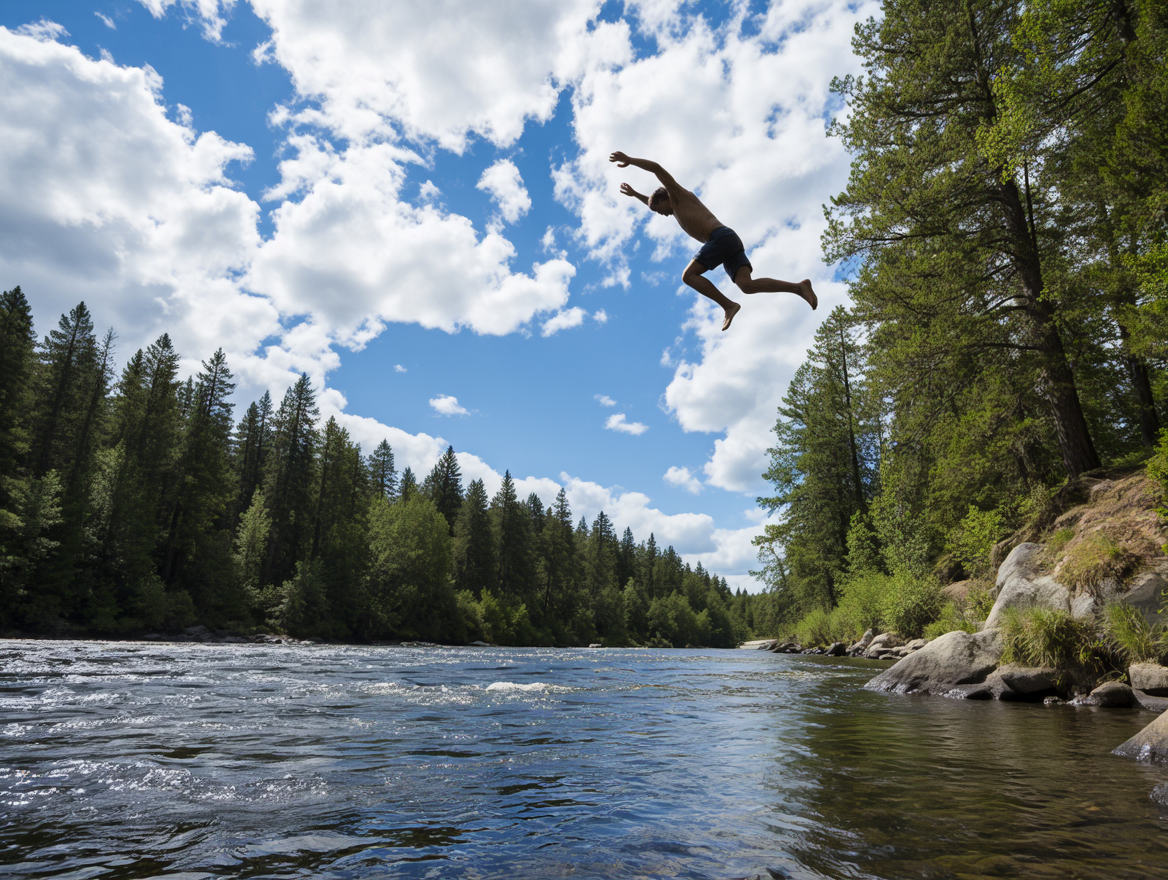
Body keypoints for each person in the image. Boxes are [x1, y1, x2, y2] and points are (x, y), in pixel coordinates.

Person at [610, 150, 817, 331]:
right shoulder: (674, 210)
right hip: (730, 241)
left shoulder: (676, 194)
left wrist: (630, 160)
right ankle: (798, 287)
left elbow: (656, 168)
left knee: (688, 276)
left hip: (720, 237)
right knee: (746, 285)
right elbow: (651, 202)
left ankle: (728, 305)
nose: (660, 215)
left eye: (658, 210)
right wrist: (635, 193)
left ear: (664, 199)